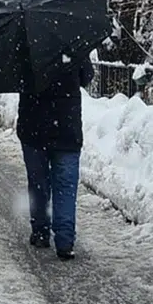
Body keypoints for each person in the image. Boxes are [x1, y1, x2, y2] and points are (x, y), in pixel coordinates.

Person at [18, 52, 95, 261]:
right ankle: (65, 240)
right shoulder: (73, 44)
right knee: (66, 188)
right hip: (67, 131)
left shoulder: (25, 47)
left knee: (38, 184)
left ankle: (41, 231)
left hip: (33, 130)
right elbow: (87, 77)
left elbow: (15, 79)